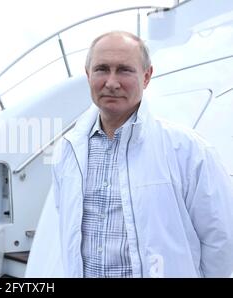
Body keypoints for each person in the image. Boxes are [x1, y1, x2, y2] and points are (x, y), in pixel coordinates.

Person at [51, 31, 233, 277]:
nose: (112, 82)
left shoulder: (188, 151)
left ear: (146, 76)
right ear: (87, 74)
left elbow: (221, 241)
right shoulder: (68, 151)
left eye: (124, 70)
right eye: (102, 69)